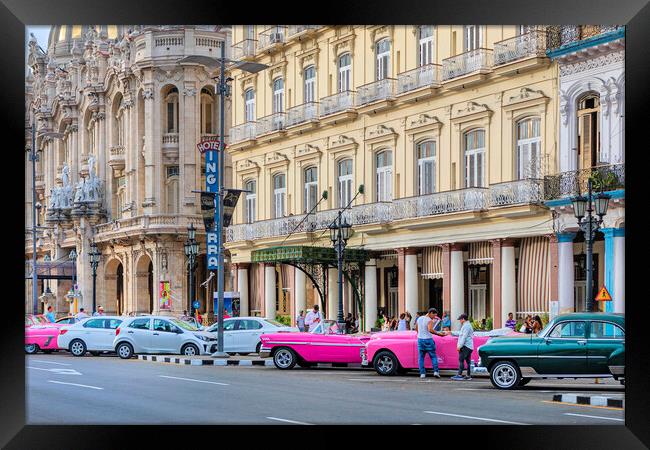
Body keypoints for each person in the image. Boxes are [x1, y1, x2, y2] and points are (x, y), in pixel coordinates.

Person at [414, 308, 448, 379]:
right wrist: (439, 334)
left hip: (420, 339)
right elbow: (430, 330)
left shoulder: (419, 318)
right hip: (428, 340)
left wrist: (420, 334)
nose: (434, 317)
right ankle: (436, 372)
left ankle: (422, 374)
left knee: (421, 357)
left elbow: (416, 328)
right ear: (430, 313)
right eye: (434, 315)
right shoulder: (429, 320)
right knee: (433, 356)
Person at [451, 314, 474, 381]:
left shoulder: (466, 326)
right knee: (468, 361)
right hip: (469, 346)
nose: (460, 321)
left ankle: (459, 375)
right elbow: (461, 334)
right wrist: (452, 333)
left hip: (465, 346)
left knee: (461, 360)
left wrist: (459, 346)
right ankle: (468, 375)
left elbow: (464, 337)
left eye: (460, 319)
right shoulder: (467, 325)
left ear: (463, 319)